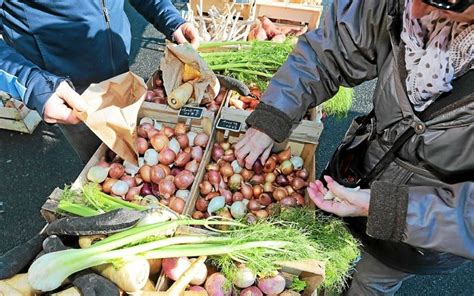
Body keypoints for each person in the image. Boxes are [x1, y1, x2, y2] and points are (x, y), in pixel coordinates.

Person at [235, 0, 473, 294]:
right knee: (313, 266)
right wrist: (275, 114)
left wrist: (390, 209)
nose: (418, 12)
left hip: (416, 234)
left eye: (449, 8)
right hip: (354, 170)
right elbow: (331, 50)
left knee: (367, 283)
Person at [0, 0, 198, 162]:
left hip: (120, 70)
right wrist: (32, 83)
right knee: (105, 163)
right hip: (70, 93)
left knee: (141, 148)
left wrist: (170, 18)